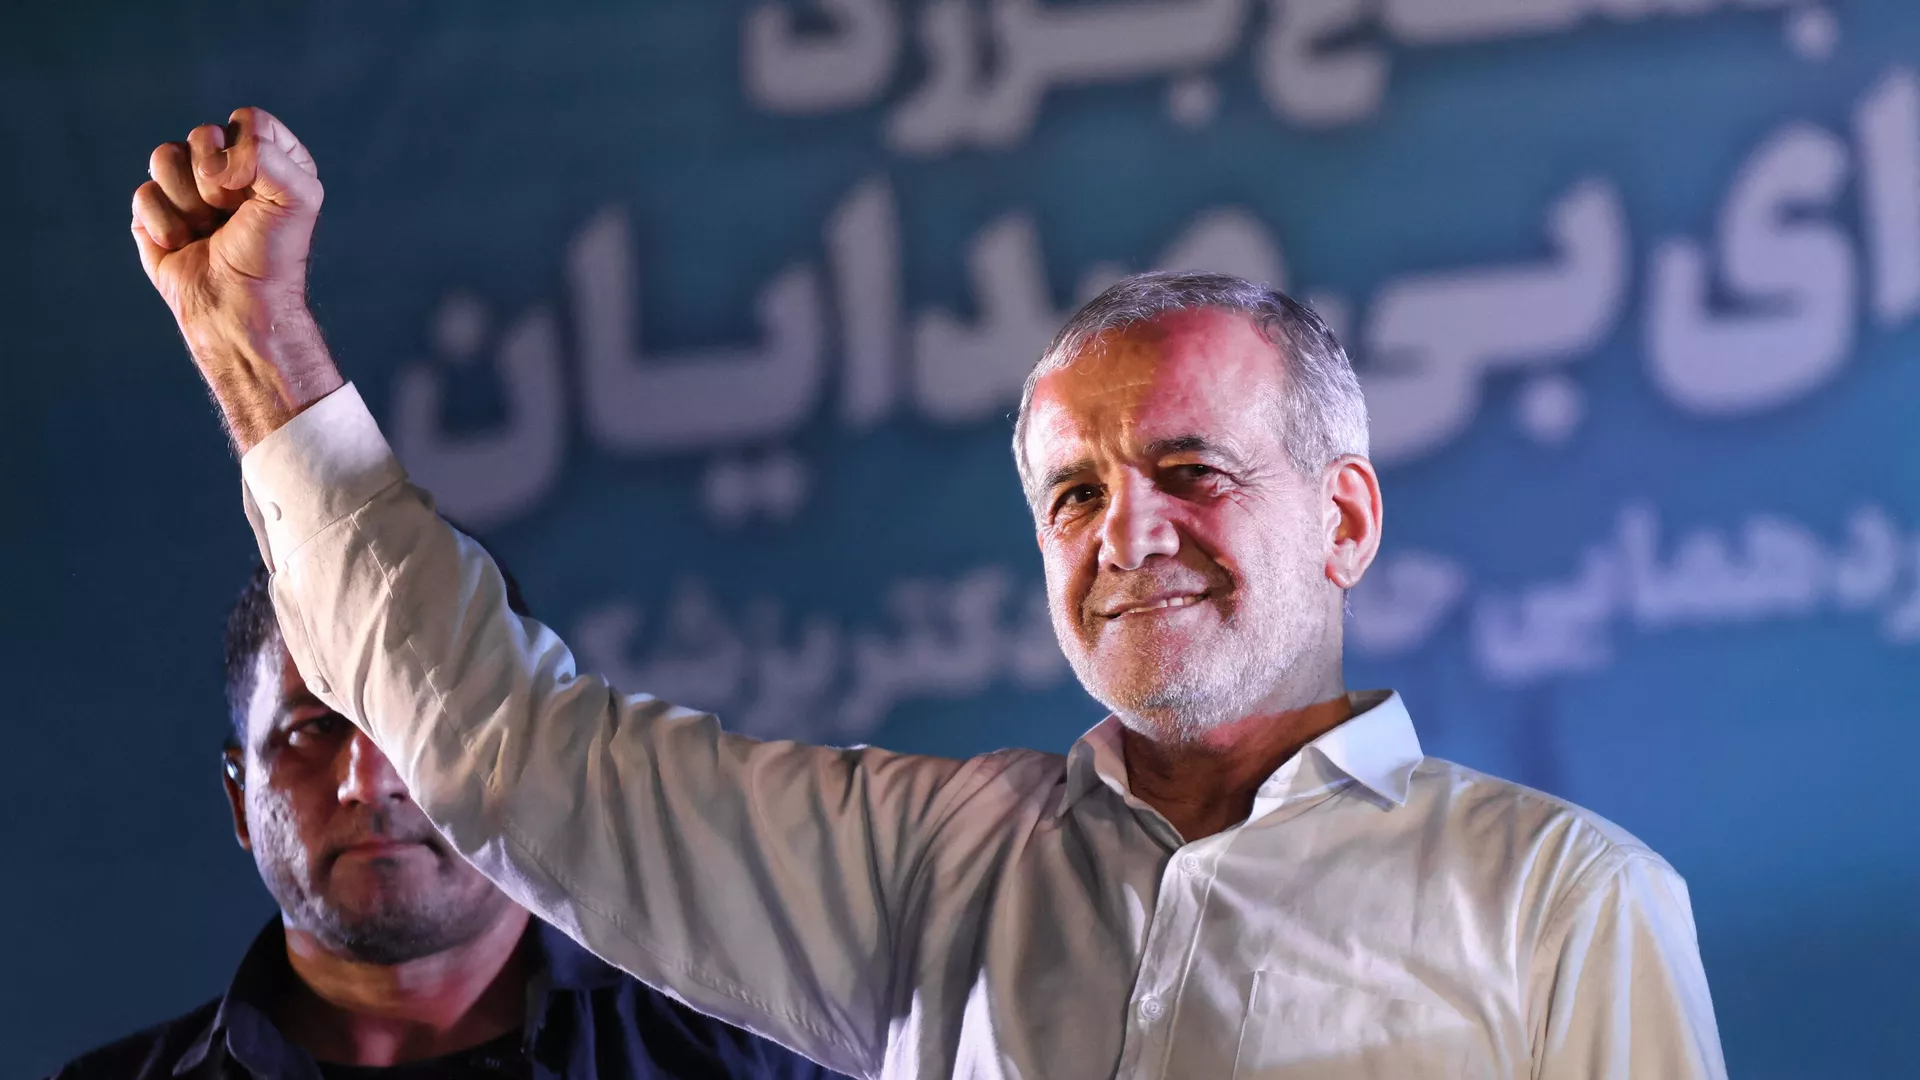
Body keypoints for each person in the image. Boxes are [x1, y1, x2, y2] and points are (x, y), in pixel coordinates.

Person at [128, 107, 1728, 1079]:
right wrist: (260, 348)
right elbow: (505, 758)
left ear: (1349, 520)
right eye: (1076, 494)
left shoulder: (1563, 906)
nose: (1130, 532)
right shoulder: (938, 870)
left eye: (1193, 472)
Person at [51, 562, 845, 1080]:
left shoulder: (753, 1055)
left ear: (528, 756)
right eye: (310, 729)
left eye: (419, 723)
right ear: (239, 799)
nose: (370, 779)